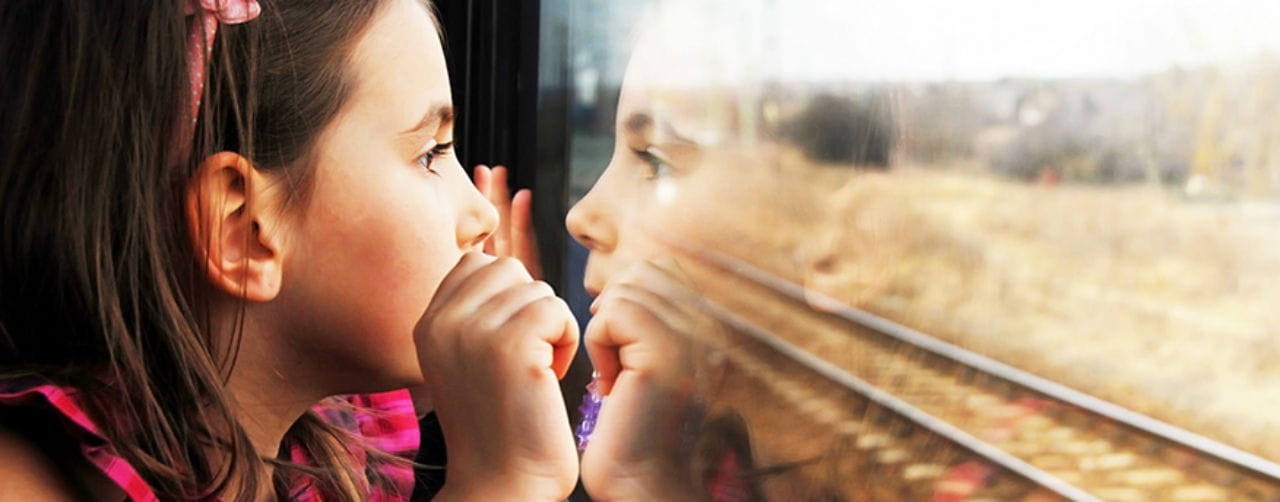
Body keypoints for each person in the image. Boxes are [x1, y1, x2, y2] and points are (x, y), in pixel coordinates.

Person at [0, 1, 584, 501]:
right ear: (246, 230)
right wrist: (500, 484)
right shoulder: (25, 481)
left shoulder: (333, 455)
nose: (480, 214)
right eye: (431, 153)